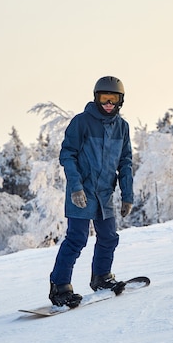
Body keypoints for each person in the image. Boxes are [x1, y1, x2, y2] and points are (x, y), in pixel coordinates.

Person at [49, 76, 134, 307]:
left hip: (105, 193)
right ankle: (60, 286)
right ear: (96, 98)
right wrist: (75, 187)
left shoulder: (122, 127)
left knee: (109, 238)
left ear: (120, 101)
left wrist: (127, 195)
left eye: (113, 99)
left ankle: (102, 277)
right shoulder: (82, 122)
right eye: (103, 98)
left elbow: (125, 162)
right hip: (82, 192)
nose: (108, 103)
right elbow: (67, 155)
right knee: (77, 239)